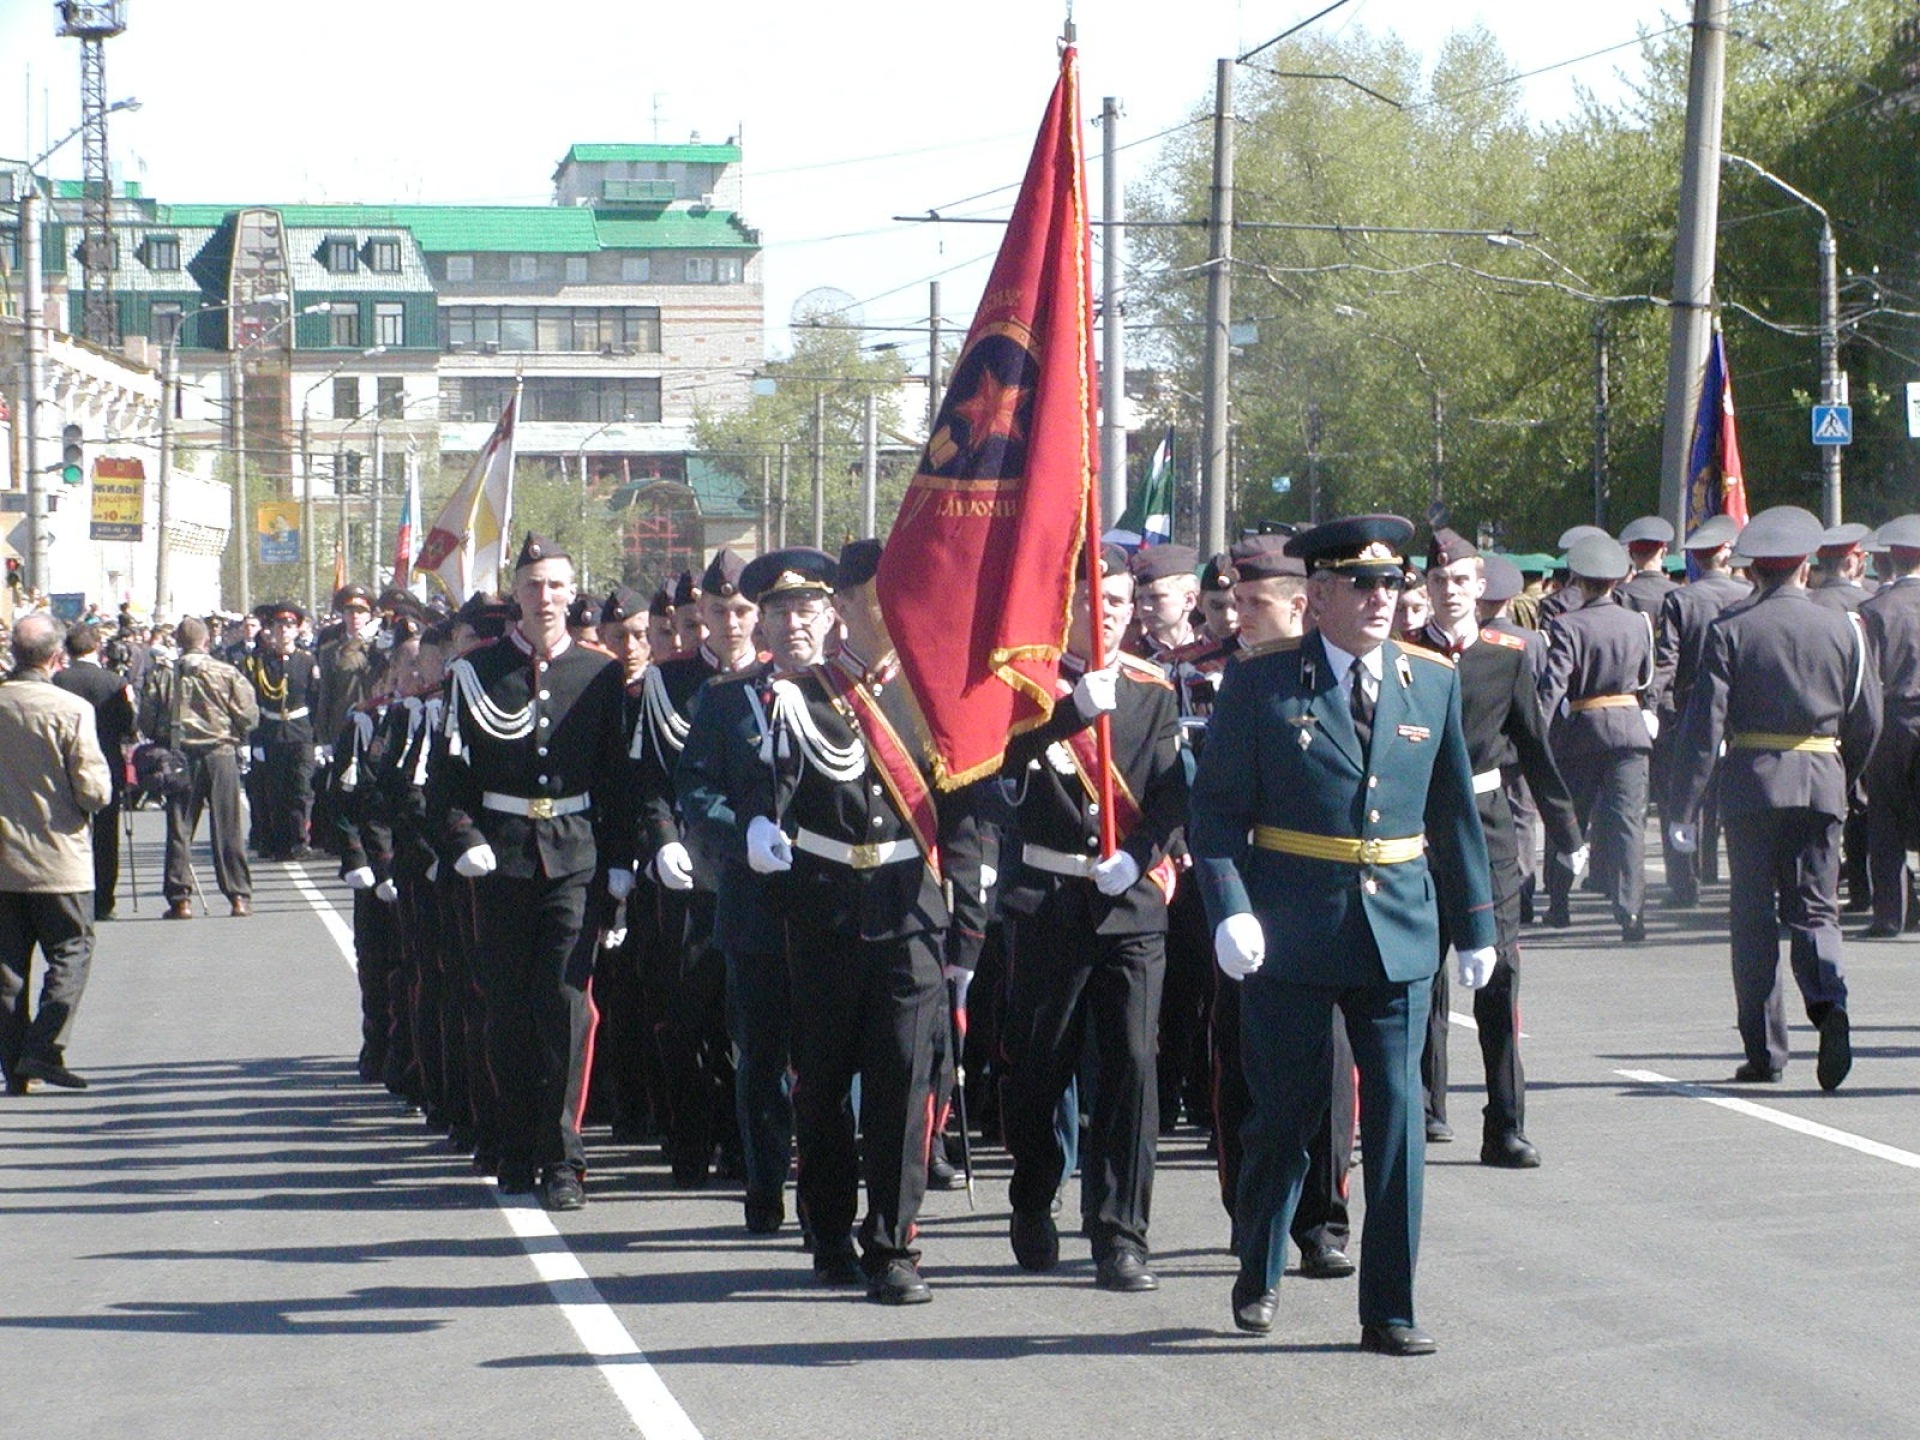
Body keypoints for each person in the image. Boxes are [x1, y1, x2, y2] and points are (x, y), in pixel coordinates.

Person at [1190, 514, 1495, 1356]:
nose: (1380, 598)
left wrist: (1477, 924)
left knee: (1397, 1122)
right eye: (1362, 584)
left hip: (1399, 927)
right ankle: (1259, 1268)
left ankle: (1390, 1306)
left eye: (1392, 583)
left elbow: (1453, 811)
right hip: (1292, 926)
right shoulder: (1263, 682)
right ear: (1318, 595)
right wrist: (1231, 907)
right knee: (1283, 1117)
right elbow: (1216, 813)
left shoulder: (1431, 681)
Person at [735, 541, 986, 1304]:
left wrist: (969, 919)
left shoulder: (932, 695)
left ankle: (894, 1244)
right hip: (825, 909)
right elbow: (769, 778)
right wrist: (758, 823)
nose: (887, 609)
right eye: (873, 597)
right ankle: (829, 1229)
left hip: (911, 909)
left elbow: (965, 813)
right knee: (821, 1083)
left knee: (903, 1085)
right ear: (845, 608)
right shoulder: (799, 695)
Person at [1000, 544, 1186, 1294]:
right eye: (1092, 599)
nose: (1106, 613)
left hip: (1129, 904)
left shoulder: (1152, 688)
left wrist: (1138, 855)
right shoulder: (1025, 688)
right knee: (1040, 1064)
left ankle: (1120, 1233)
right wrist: (1071, 714)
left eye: (1117, 601)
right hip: (1048, 899)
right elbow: (995, 768)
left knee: (1132, 1067)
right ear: (1065, 606)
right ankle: (1033, 1192)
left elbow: (1171, 795)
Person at [428, 534, 635, 1210]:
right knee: (508, 1007)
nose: (544, 597)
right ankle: (515, 1143)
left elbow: (616, 778)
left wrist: (621, 866)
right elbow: (448, 776)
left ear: (572, 593)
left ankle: (563, 1158)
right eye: (532, 585)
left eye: (555, 585)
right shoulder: (475, 673)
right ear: (514, 594)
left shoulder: (599, 674)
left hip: (574, 854)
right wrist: (463, 836)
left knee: (566, 1003)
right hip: (503, 856)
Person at [1669, 506, 1879, 1089]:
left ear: (1754, 570)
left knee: (1753, 917)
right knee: (1816, 908)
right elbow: (1868, 717)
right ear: (1805, 567)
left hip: (1752, 784)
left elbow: (1704, 726)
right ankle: (1829, 1005)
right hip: (1822, 778)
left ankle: (1765, 1051)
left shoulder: (1731, 629)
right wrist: (1843, 776)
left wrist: (1684, 806)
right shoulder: (1846, 628)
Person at [1205, 534, 1359, 1278]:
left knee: (1330, 1069)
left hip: (1329, 906)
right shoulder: (1241, 677)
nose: (1237, 616)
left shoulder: (1345, 676)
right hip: (1250, 897)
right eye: (1233, 601)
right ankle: (1251, 1212)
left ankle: (1322, 1220)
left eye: (1254, 602)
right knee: (1244, 1067)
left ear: (1301, 605)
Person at [1410, 529, 1584, 1167]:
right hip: (1419, 829)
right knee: (1421, 975)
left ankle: (1505, 1124)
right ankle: (1425, 1107)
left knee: (1499, 976)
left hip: (1487, 829)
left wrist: (1567, 832)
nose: (1449, 592)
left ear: (1480, 586)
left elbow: (1533, 745)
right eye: (1438, 581)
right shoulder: (1405, 655)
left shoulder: (1506, 655)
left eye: (1460, 581)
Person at [634, 548, 759, 1188]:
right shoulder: (670, 682)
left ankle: (743, 1142)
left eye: (741, 610)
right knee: (685, 1014)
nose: (730, 623)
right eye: (719, 611)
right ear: (702, 613)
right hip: (691, 872)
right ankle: (689, 1140)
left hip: (757, 870)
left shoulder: (782, 681)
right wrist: (661, 840)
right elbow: (648, 780)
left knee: (748, 1018)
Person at [0, 614, 113, 1093]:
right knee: (71, 950)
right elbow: (93, 790)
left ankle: (15, 1067)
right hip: (58, 856)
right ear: (54, 657)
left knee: (7, 968)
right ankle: (44, 1046)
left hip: (4, 860)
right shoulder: (71, 709)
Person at [1538, 534, 1656, 941]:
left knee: (1569, 821)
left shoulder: (1566, 625)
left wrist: (1536, 732)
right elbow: (1646, 678)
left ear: (1577, 579)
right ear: (1617, 580)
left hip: (1582, 732)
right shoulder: (1638, 623)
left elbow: (1554, 685)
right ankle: (1631, 913)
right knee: (1629, 825)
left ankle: (1558, 903)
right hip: (1629, 728)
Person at [1652, 516, 1751, 907]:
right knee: (1735, 797)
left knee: (1685, 796)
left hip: (1692, 706)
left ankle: (1685, 883)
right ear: (1727, 553)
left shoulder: (1680, 600)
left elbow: (1667, 662)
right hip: (1741, 708)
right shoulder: (1748, 594)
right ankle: (1729, 875)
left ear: (1696, 558)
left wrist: (1655, 707)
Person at [150, 617, 259, 919]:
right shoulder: (227, 672)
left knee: (180, 827)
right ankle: (238, 896)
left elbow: (147, 718)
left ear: (177, 641)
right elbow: (249, 716)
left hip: (180, 756)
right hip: (220, 753)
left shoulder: (164, 675)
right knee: (227, 827)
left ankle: (180, 899)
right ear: (206, 640)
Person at [1855, 514, 1920, 938]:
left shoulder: (1874, 609)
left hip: (1892, 719)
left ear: (1890, 560)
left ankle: (1890, 915)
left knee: (1886, 819)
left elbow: (1866, 682)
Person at [53, 623, 137, 920]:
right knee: (106, 835)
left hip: (65, 764)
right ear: (96, 647)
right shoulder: (114, 682)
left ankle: (70, 898)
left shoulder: (57, 681)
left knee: (67, 831)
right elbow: (129, 725)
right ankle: (104, 900)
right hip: (106, 762)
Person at [243, 601, 322, 861]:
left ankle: (299, 841)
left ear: (297, 630)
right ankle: (280, 844)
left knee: (301, 789)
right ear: (272, 630)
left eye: (289, 626)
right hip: (272, 732)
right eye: (279, 626)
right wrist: (253, 741)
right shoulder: (260, 663)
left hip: (301, 732)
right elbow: (254, 703)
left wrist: (318, 739)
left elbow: (316, 700)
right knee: (276, 791)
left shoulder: (307, 661)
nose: (284, 631)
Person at [1129, 544, 1201, 659]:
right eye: (1140, 598)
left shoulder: (1210, 650)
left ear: (1188, 601)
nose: (1145, 607)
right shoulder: (1130, 657)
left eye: (1156, 597)